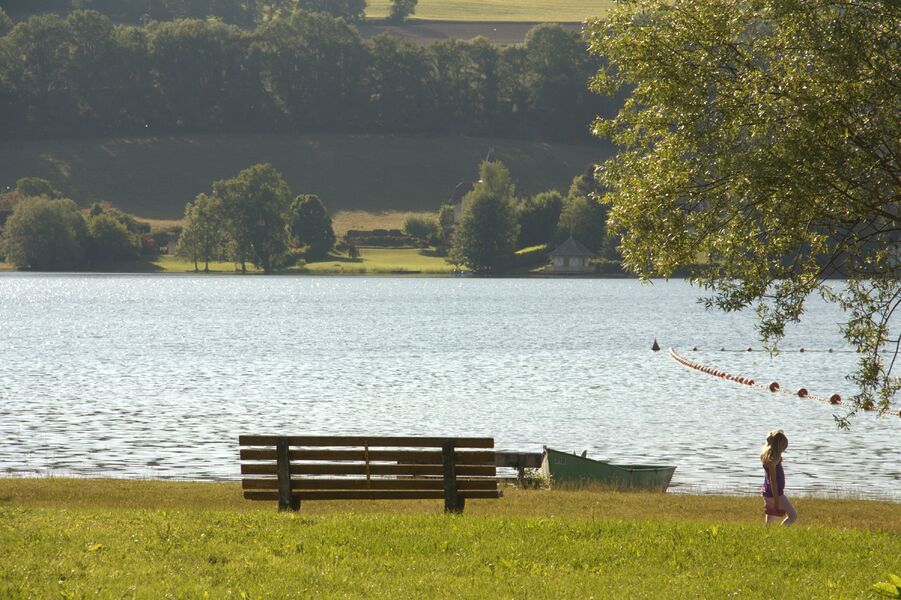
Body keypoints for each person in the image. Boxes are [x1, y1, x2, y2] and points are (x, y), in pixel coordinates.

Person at [760, 429, 797, 526]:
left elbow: (769, 435)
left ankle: (768, 535)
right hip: (776, 494)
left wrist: (772, 436)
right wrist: (776, 500)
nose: (783, 451)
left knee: (770, 519)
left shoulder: (767, 454)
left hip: (766, 492)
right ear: (779, 447)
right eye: (783, 448)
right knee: (793, 516)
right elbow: (773, 481)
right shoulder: (773, 462)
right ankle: (782, 530)